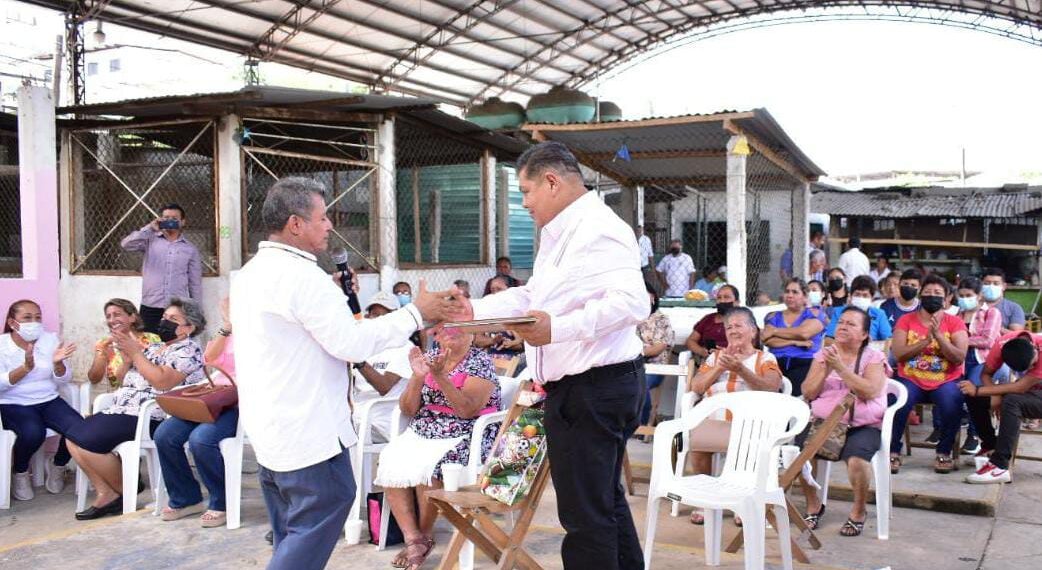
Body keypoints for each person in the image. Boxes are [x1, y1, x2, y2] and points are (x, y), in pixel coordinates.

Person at [229, 177, 456, 570]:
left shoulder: (252, 273)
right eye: (322, 217)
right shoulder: (302, 277)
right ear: (296, 224)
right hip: (306, 430)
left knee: (293, 529)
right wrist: (416, 313)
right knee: (323, 510)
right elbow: (350, 343)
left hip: (271, 428)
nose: (330, 225)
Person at [452, 141, 648, 570]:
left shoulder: (599, 228)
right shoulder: (560, 232)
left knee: (584, 518)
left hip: (595, 386)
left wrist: (557, 328)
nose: (524, 204)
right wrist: (472, 311)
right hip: (585, 387)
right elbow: (534, 297)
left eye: (526, 192)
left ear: (553, 182)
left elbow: (634, 304)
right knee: (602, 504)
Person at [66, 297, 206, 520]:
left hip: (151, 413)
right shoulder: (156, 347)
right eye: (164, 317)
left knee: (84, 439)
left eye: (173, 319)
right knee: (72, 438)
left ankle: (123, 489)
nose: (164, 322)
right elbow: (123, 379)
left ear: (189, 327)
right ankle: (108, 492)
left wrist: (137, 354)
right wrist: (127, 356)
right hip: (124, 406)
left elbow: (162, 382)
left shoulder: (188, 350)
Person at [374, 327, 501, 570]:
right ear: (437, 337)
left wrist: (440, 376)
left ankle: (425, 534)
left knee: (431, 463)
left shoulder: (480, 362)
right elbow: (408, 410)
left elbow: (467, 410)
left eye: (459, 331)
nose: (450, 336)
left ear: (472, 335)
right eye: (445, 332)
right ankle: (414, 539)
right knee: (390, 458)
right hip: (426, 426)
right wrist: (418, 376)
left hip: (468, 431)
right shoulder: (430, 357)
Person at [798, 307, 890, 537]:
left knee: (858, 461)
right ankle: (813, 505)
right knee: (798, 455)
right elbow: (808, 392)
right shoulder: (824, 355)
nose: (843, 327)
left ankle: (859, 510)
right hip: (824, 422)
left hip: (861, 424)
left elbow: (869, 391)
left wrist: (840, 368)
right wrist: (826, 368)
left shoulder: (874, 357)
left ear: (864, 335)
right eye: (841, 322)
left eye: (851, 324)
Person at [686, 307, 782, 525]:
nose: (733, 330)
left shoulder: (765, 358)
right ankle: (705, 499)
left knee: (746, 444)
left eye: (739, 325)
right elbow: (697, 386)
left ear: (753, 332)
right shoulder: (715, 357)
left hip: (749, 422)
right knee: (697, 439)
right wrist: (720, 368)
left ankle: (742, 501)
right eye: (729, 327)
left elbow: (771, 387)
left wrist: (741, 370)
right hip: (714, 419)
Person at [155, 297, 238, 528]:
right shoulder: (227, 332)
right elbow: (209, 359)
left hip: (238, 402)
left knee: (201, 440)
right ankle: (186, 498)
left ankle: (222, 501)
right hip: (212, 394)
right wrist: (228, 326)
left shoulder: (263, 330)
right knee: (165, 435)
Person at [888, 275, 968, 474]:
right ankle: (892, 451)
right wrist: (925, 341)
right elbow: (898, 353)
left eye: (938, 294)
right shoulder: (906, 320)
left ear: (947, 299)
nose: (932, 296)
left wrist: (939, 337)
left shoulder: (955, 322)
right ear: (920, 295)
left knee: (952, 402)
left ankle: (944, 451)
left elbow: (959, 357)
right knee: (898, 401)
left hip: (945, 379)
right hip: (911, 377)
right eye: (928, 293)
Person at [0, 300, 79, 500]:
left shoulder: (49, 340)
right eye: (27, 318)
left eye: (38, 317)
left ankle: (57, 465)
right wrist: (25, 368)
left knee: (79, 429)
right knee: (33, 433)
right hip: (14, 403)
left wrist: (58, 364)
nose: (34, 322)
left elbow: (64, 378)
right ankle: (20, 472)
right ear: (12, 322)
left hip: (48, 399)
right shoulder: (2, 346)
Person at [960, 333, 1042, 483]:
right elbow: (986, 374)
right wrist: (995, 396)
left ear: (1035, 349)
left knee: (1012, 402)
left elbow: (1020, 387)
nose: (1031, 368)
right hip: (1028, 389)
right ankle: (990, 447)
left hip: (1034, 391)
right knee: (975, 398)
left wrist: (978, 390)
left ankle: (1000, 466)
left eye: (1032, 364)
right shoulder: (1001, 345)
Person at [120, 203, 203, 333]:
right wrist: (149, 228)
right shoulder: (150, 240)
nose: (170, 221)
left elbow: (195, 283)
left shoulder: (190, 249)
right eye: (166, 218)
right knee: (147, 345)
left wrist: (196, 312)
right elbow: (126, 244)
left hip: (177, 309)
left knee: (174, 345)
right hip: (151, 305)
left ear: (182, 222)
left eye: (174, 219)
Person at [350, 292, 414, 440]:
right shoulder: (366, 345)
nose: (377, 319)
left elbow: (384, 386)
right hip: (359, 415)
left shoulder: (404, 347)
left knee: (337, 432)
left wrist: (358, 360)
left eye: (382, 315)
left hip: (383, 421)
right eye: (373, 314)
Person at [955, 277, 1001, 456]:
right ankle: (943, 431)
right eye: (962, 295)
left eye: (969, 295)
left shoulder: (991, 313)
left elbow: (988, 340)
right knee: (947, 390)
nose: (965, 298)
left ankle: (974, 435)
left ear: (979, 296)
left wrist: (960, 340)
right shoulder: (956, 314)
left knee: (973, 393)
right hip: (957, 360)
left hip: (981, 361)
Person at [762, 278, 826, 397]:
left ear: (805, 297)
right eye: (787, 291)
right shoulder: (773, 316)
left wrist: (775, 331)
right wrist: (795, 342)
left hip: (804, 363)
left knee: (798, 400)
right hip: (775, 364)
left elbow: (804, 333)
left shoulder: (815, 314)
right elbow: (768, 340)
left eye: (795, 292)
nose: (790, 295)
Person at [87, 299, 161, 390]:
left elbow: (160, 372)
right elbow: (94, 380)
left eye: (117, 315)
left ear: (132, 318)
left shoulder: (153, 339)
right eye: (108, 316)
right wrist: (101, 355)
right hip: (121, 396)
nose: (112, 320)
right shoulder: (105, 344)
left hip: (151, 392)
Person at [638, 283, 674, 426]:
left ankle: (641, 425)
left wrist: (634, 353)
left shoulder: (661, 319)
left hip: (655, 368)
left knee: (640, 383)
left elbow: (658, 348)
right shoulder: (630, 318)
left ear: (653, 297)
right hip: (631, 366)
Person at [825, 276, 892, 346]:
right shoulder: (839, 312)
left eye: (865, 295)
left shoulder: (879, 314)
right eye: (857, 294)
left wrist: (870, 345)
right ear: (851, 295)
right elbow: (828, 340)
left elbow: (889, 340)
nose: (861, 298)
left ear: (872, 298)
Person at [685, 285, 740, 359]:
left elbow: (752, 344)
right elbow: (690, 341)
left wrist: (725, 353)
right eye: (719, 298)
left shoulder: (744, 320)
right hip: (709, 363)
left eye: (726, 297)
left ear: (737, 302)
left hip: (736, 363)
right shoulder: (708, 319)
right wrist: (702, 351)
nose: (722, 301)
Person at [981, 268, 1026, 334]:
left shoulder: (1014, 308)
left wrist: (991, 326)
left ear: (1004, 286)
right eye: (987, 283)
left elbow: (1016, 335)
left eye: (996, 284)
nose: (991, 286)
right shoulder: (974, 306)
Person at [636, 225, 656, 290]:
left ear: (643, 231)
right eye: (638, 231)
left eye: (640, 230)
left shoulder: (646, 239)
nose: (639, 232)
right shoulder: (632, 238)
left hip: (645, 265)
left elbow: (650, 253)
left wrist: (652, 267)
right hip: (635, 265)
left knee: (646, 282)